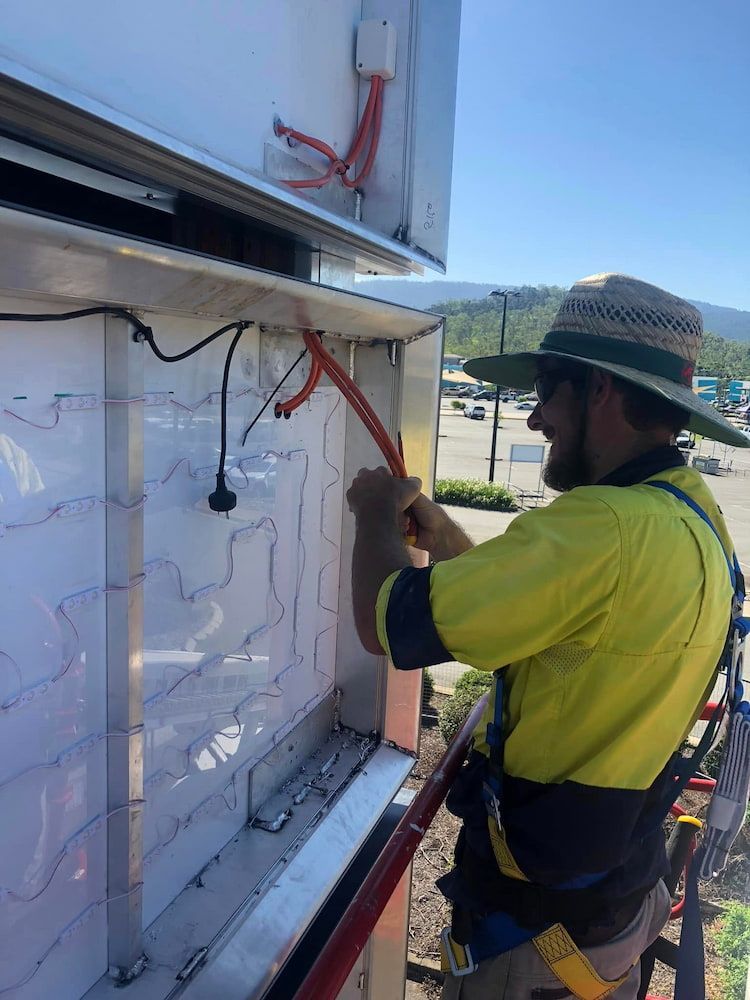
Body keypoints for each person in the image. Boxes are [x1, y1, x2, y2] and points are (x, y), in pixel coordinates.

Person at [346, 273, 749, 1000]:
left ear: (596, 389)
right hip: (612, 903)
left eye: (544, 390)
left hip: (538, 941)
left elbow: (390, 622)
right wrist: (442, 537)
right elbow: (548, 623)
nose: (535, 420)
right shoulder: (691, 517)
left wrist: (374, 511)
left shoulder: (600, 527)